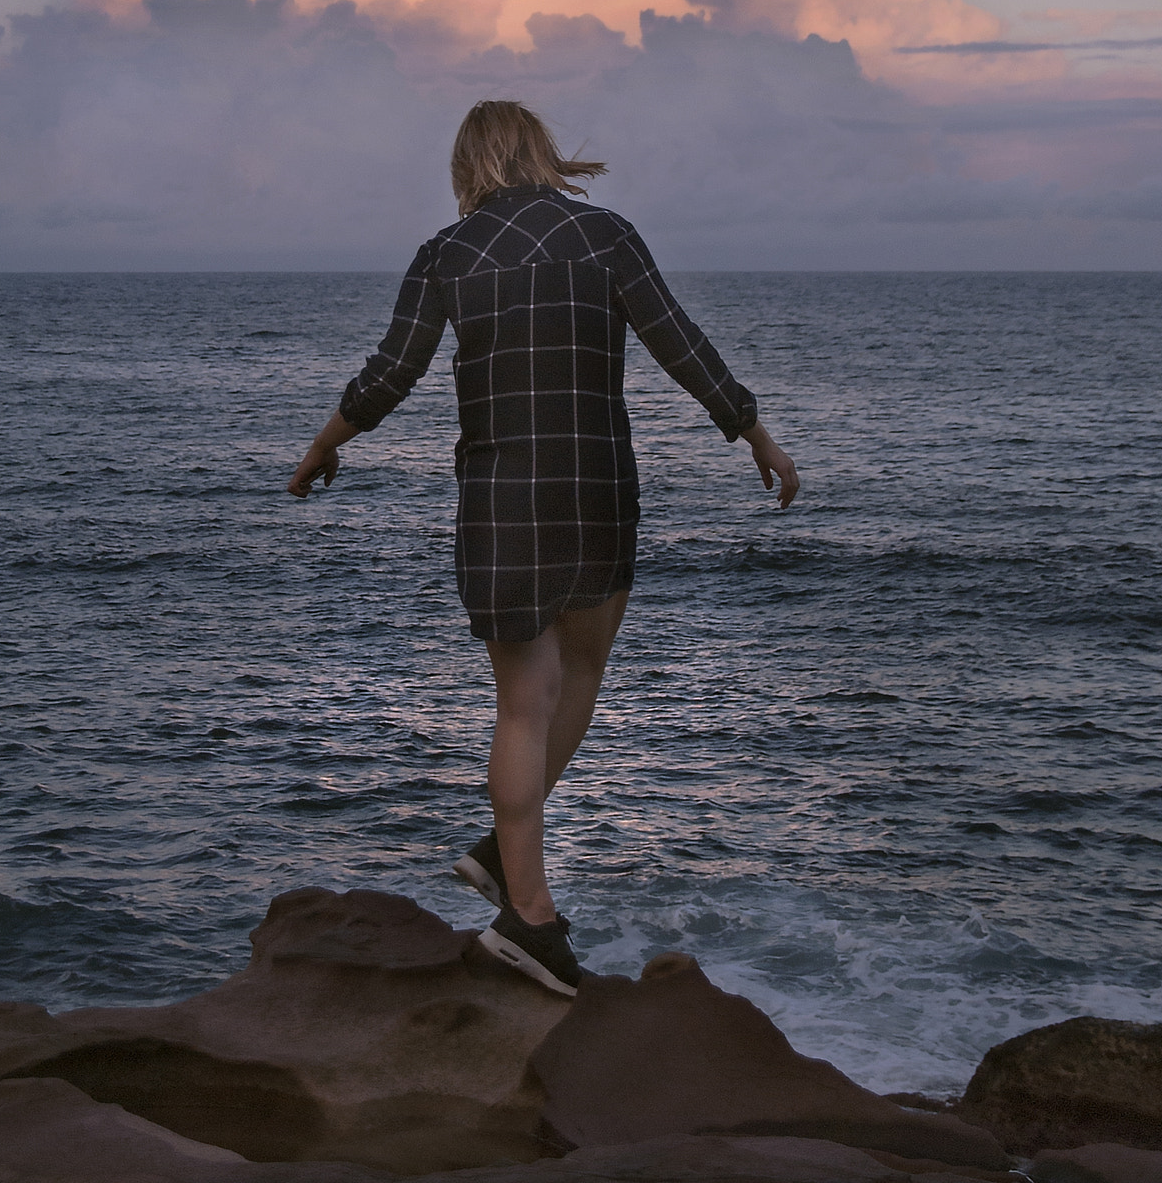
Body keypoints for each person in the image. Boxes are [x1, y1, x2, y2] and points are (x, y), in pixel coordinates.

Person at [288, 99, 798, 996]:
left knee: (523, 704)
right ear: (539, 151)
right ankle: (522, 906)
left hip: (500, 498)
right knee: (582, 676)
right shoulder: (603, 235)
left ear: (466, 165)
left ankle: (515, 882)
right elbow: (678, 341)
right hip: (595, 485)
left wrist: (325, 443)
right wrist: (750, 430)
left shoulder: (445, 255)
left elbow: (390, 373)